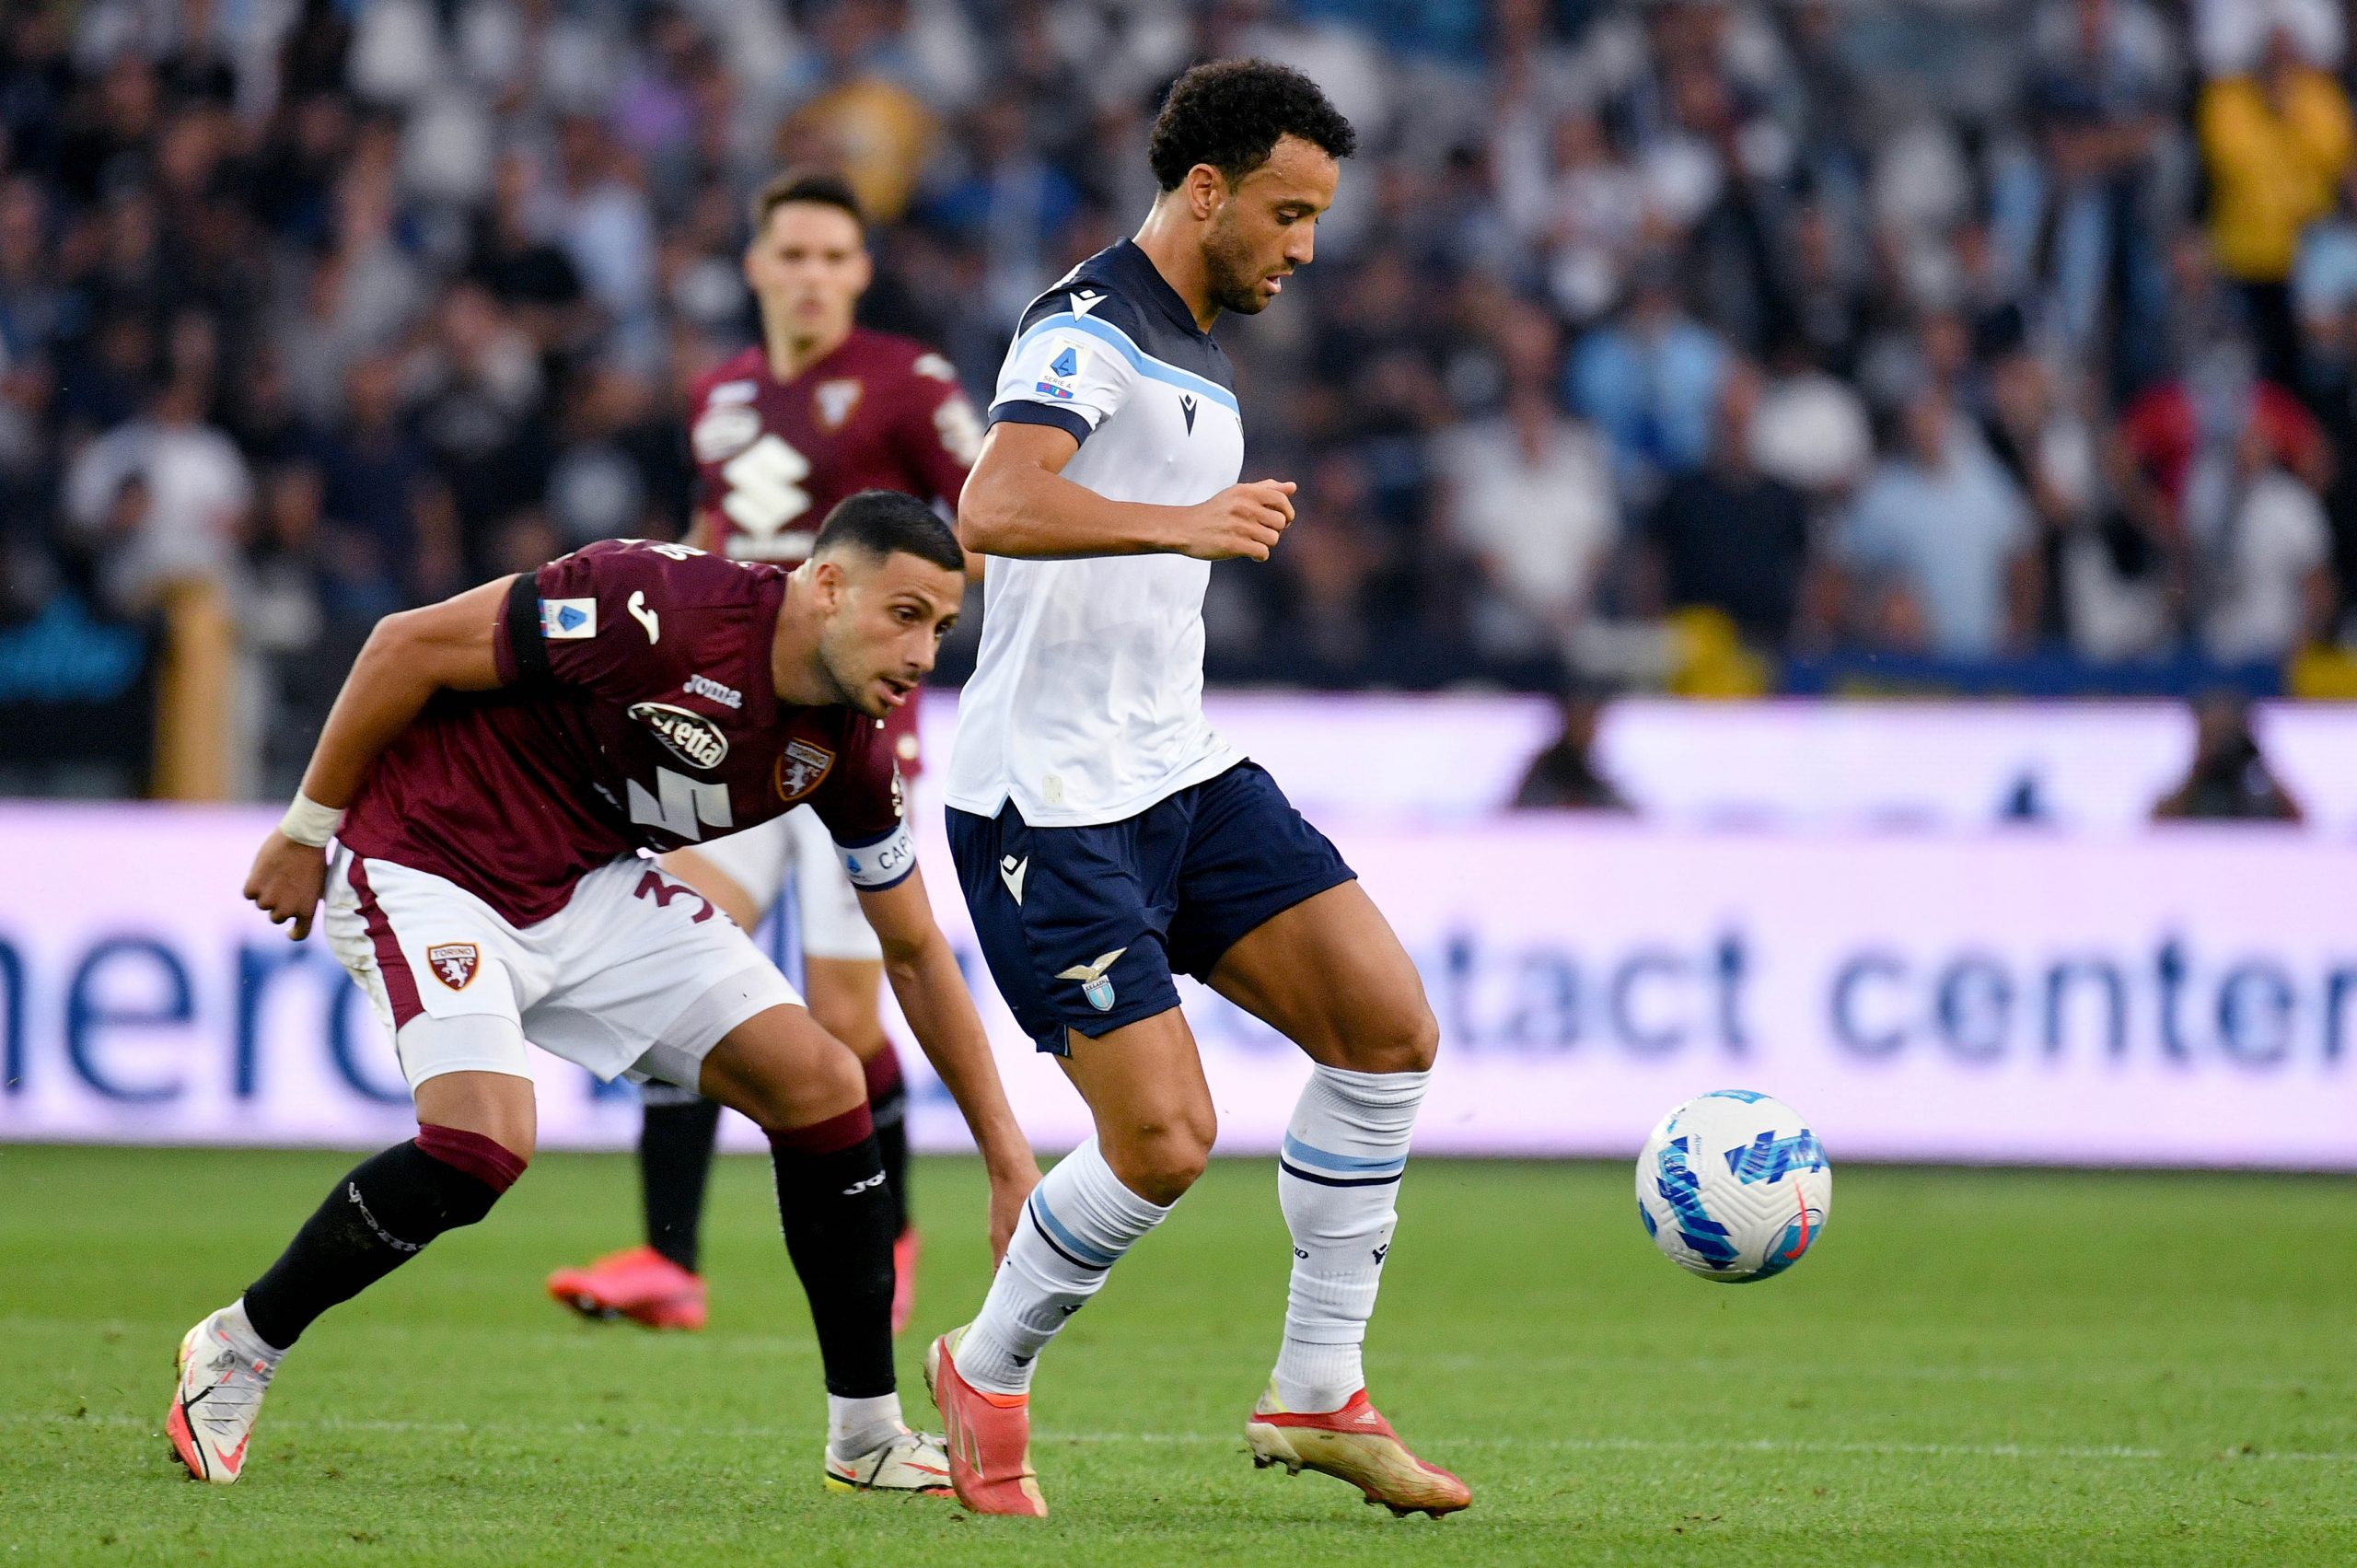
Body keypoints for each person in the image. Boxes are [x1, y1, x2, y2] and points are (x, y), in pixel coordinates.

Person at [168, 497, 1040, 1496]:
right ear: (830, 585)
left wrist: (1006, 1159)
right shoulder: (653, 603)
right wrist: (305, 828)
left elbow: (916, 952)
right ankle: (239, 1343)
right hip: (430, 856)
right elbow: (404, 643)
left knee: (821, 1083)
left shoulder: (848, 751)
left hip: (587, 883)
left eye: (942, 626)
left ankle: (867, 1435)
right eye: (907, 615)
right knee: (480, 1144)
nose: (924, 653)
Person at [924, 59, 1470, 1520]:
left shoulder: (1202, 352)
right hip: (1049, 800)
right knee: (1164, 1141)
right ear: (1207, 189)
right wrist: (1182, 523)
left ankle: (1318, 1387)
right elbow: (993, 502)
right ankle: (985, 1366)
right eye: (1289, 213)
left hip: (1178, 766)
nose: (1307, 247)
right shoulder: (1086, 324)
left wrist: (1182, 523)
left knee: (1388, 1029)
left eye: (1320, 219)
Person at [544, 171, 982, 1335]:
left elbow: (987, 522)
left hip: (849, 742)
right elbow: (712, 537)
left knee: (845, 1014)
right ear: (756, 265)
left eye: (833, 256)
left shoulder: (909, 382)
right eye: (792, 254)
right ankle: (667, 1257)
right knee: (671, 957)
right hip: (729, 726)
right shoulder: (720, 393)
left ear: (861, 271)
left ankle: (890, 1235)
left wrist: (900, 610)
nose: (811, 275)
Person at [2153, 693, 2305, 819]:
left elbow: (2297, 821)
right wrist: (2200, 768)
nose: (2220, 744)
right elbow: (2160, 821)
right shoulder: (2193, 790)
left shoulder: (2257, 788)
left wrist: (2258, 757)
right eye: (2211, 735)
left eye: (2225, 735)